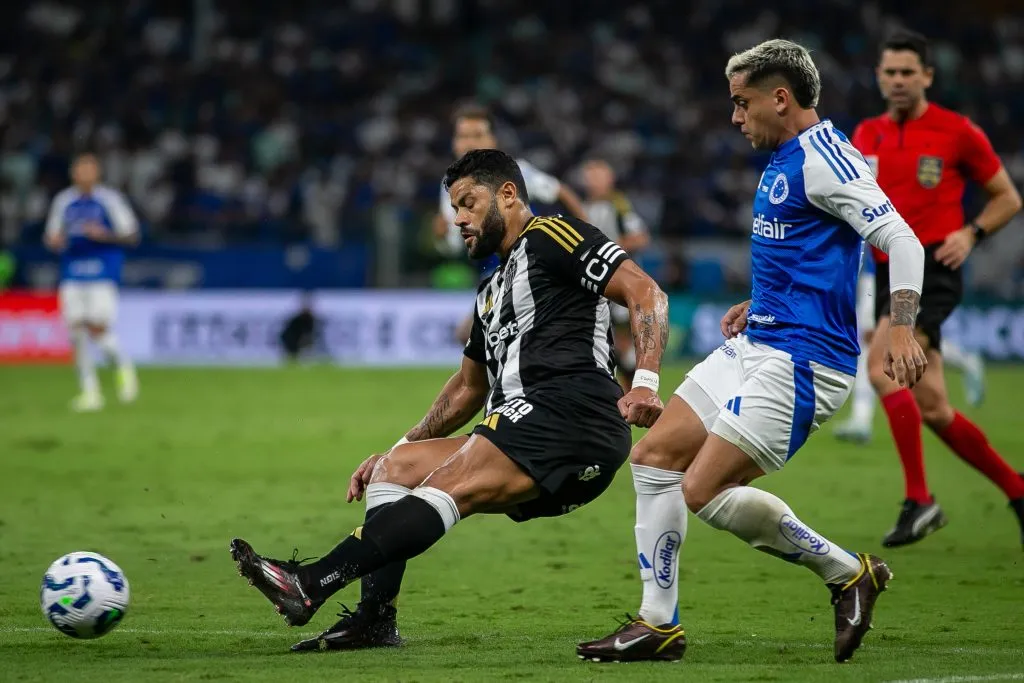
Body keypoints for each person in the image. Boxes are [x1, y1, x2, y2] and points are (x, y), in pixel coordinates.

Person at [230, 149, 670, 651]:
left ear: (508, 194)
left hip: (572, 414)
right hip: (520, 424)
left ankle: (309, 585)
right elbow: (467, 389)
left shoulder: (554, 236)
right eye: (454, 207)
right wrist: (395, 445)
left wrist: (646, 383)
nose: (457, 218)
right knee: (395, 470)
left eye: (467, 203)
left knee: (451, 482)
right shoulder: (489, 291)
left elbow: (646, 293)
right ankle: (374, 620)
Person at [577, 39, 927, 665]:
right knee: (655, 459)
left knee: (702, 490)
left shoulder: (826, 159)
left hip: (803, 360)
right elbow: (805, 250)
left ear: (780, 98)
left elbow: (903, 240)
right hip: (760, 339)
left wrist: (900, 327)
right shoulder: (784, 155)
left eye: (742, 104)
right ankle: (657, 624)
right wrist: (758, 300)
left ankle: (848, 573)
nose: (735, 118)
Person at [849, 30, 1024, 547]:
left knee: (882, 368)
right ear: (879, 77)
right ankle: (1017, 491)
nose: (899, 81)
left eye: (909, 72)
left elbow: (1007, 198)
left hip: (932, 269)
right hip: (885, 273)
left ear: (927, 76)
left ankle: (920, 500)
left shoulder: (957, 132)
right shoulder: (867, 134)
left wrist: (971, 233)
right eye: (891, 72)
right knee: (933, 409)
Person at [431, 104, 589, 344]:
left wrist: (587, 236)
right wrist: (442, 236)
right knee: (476, 338)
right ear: (454, 142)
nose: (470, 142)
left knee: (476, 338)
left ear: (492, 139)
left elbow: (561, 192)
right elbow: (455, 245)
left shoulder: (513, 171)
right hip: (497, 272)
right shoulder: (450, 186)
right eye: (463, 136)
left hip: (532, 262)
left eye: (478, 135)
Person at [833, 245, 986, 445]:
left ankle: (861, 418)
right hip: (871, 273)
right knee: (878, 343)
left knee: (877, 343)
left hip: (892, 271)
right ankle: (965, 361)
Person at [44, 153, 140, 412]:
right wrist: (55, 241)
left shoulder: (110, 199)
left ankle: (122, 364)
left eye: (89, 168)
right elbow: (52, 234)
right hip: (72, 273)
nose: (84, 173)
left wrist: (104, 235)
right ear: (73, 173)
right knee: (76, 332)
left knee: (97, 330)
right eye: (80, 169)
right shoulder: (63, 201)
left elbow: (132, 236)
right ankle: (90, 393)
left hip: (102, 273)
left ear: (97, 173)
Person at [582, 158, 651, 390]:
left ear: (610, 179)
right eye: (590, 177)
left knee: (622, 341)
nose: (594, 182)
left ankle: (633, 388)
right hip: (594, 284)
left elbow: (640, 237)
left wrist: (609, 248)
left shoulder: (619, 206)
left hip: (620, 282)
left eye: (599, 176)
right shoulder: (583, 207)